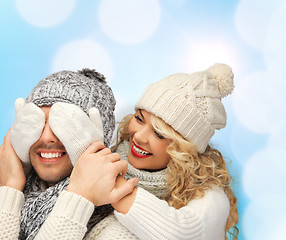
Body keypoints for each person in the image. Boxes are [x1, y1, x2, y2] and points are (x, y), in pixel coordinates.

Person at [65, 63, 239, 239]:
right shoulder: (113, 154)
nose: (139, 136)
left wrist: (110, 180)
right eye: (139, 119)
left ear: (184, 148)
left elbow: (181, 233)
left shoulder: (210, 196)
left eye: (159, 134)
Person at [0, 69, 135, 239]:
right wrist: (10, 187)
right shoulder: (9, 187)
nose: (47, 137)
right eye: (35, 121)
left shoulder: (116, 227)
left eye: (65, 125)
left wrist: (78, 197)